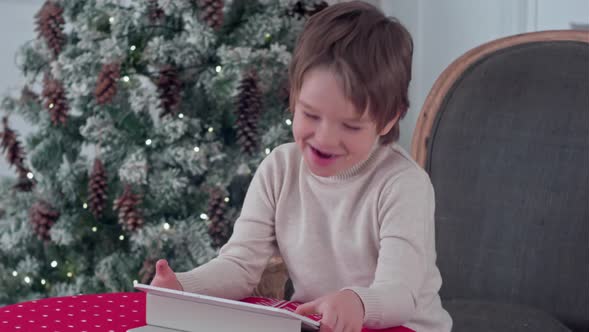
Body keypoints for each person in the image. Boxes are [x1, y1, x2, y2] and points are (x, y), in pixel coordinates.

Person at [150, 2, 452, 331]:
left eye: (350, 126)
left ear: (388, 120)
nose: (325, 138)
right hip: (319, 325)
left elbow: (400, 293)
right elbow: (239, 265)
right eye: (310, 114)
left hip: (403, 326)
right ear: (294, 96)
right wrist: (183, 286)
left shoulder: (403, 185)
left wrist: (358, 302)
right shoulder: (280, 168)